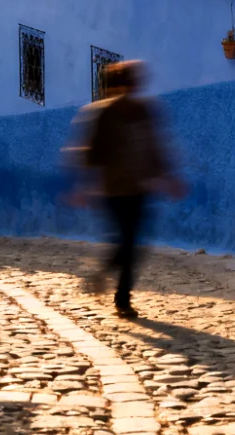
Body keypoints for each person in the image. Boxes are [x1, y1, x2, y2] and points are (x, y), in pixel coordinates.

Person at [65, 61, 182, 319]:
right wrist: (84, 184)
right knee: (127, 241)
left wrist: (167, 176)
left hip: (139, 188)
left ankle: (114, 284)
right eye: (128, 81)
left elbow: (155, 146)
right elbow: (90, 150)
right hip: (113, 190)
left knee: (134, 244)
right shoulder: (102, 113)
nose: (131, 86)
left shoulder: (144, 111)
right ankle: (121, 295)